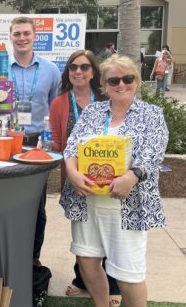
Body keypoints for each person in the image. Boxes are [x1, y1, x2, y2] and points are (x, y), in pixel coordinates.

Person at [62, 55, 168, 307]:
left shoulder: (151, 114)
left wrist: (133, 177)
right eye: (114, 80)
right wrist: (72, 172)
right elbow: (71, 148)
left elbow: (153, 152)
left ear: (137, 80)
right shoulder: (92, 111)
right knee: (87, 261)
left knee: (129, 274)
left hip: (127, 204)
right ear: (104, 85)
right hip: (87, 202)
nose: (121, 84)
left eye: (127, 78)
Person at [49, 50, 121, 306]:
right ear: (68, 72)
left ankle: (112, 285)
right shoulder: (59, 102)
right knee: (83, 235)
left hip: (109, 178)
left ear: (93, 73)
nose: (78, 72)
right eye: (73, 67)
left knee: (108, 234)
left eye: (84, 67)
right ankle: (82, 282)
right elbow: (58, 143)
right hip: (76, 180)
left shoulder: (106, 98)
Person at [9, 16, 61, 268]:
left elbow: (56, 107)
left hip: (37, 144)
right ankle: (9, 254)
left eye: (26, 33)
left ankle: (33, 258)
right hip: (5, 144)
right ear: (11, 37)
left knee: (37, 207)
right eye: (17, 33)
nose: (21, 38)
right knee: (4, 202)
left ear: (34, 36)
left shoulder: (50, 70)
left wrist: (50, 139)